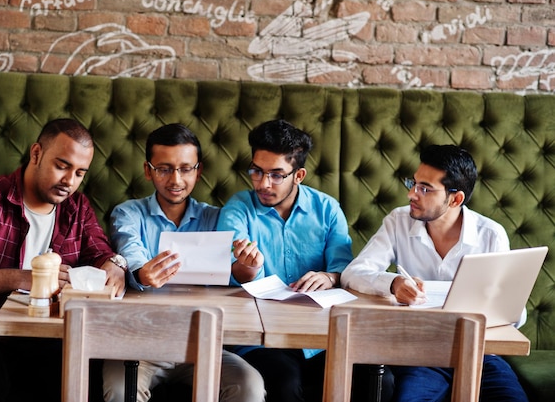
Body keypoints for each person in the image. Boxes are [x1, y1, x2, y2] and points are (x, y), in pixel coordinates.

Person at [0, 118, 127, 402]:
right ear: (36, 153)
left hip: (49, 339)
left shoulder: (77, 209)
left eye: (80, 173)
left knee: (88, 382)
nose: (69, 181)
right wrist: (23, 278)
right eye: (62, 165)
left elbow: (101, 253)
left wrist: (115, 264)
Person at [341, 144, 529, 402]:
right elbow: (354, 273)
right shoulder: (398, 221)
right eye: (413, 183)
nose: (411, 194)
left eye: (424, 189)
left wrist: (509, 303)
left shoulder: (491, 235)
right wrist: (394, 283)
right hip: (421, 354)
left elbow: (514, 318)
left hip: (480, 354)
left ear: (455, 199)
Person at [102, 124, 265, 402]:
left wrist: (248, 268)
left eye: (186, 169)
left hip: (204, 343)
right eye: (164, 168)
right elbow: (130, 248)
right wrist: (142, 274)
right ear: (148, 170)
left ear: (198, 171)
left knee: (249, 385)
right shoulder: (128, 213)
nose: (176, 179)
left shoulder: (217, 220)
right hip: (139, 342)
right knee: (119, 390)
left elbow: (235, 273)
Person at [216, 119, 355, 402]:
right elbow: (229, 272)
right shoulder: (238, 208)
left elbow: (345, 268)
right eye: (257, 171)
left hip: (320, 339)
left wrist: (330, 276)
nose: (263, 184)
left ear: (299, 175)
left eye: (276, 175)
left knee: (377, 380)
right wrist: (247, 267)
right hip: (260, 341)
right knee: (285, 382)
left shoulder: (327, 209)